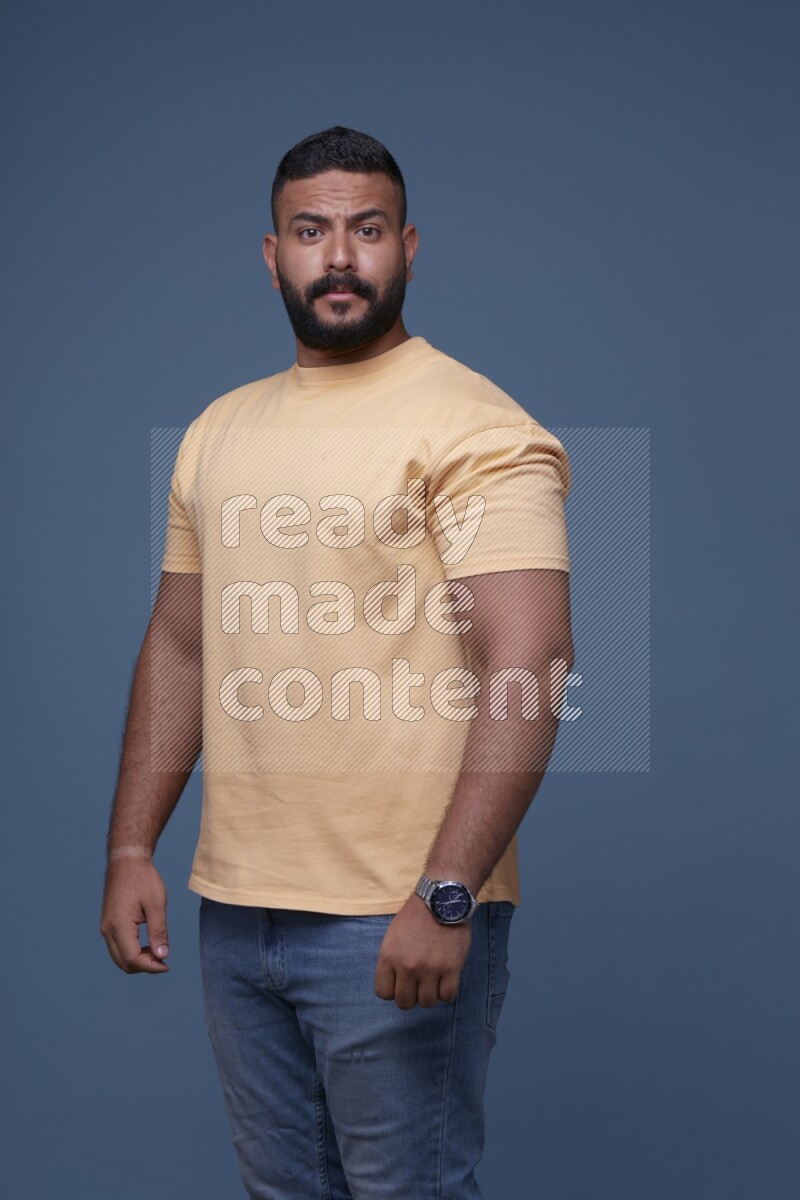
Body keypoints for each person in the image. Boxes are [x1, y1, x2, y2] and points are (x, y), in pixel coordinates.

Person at [100, 125, 575, 1199]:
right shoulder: (217, 431)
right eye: (311, 232)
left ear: (407, 245)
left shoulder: (477, 427)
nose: (341, 257)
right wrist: (134, 845)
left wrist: (447, 894)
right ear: (271, 253)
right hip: (237, 913)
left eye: (366, 230)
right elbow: (179, 644)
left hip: (394, 909)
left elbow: (529, 660)